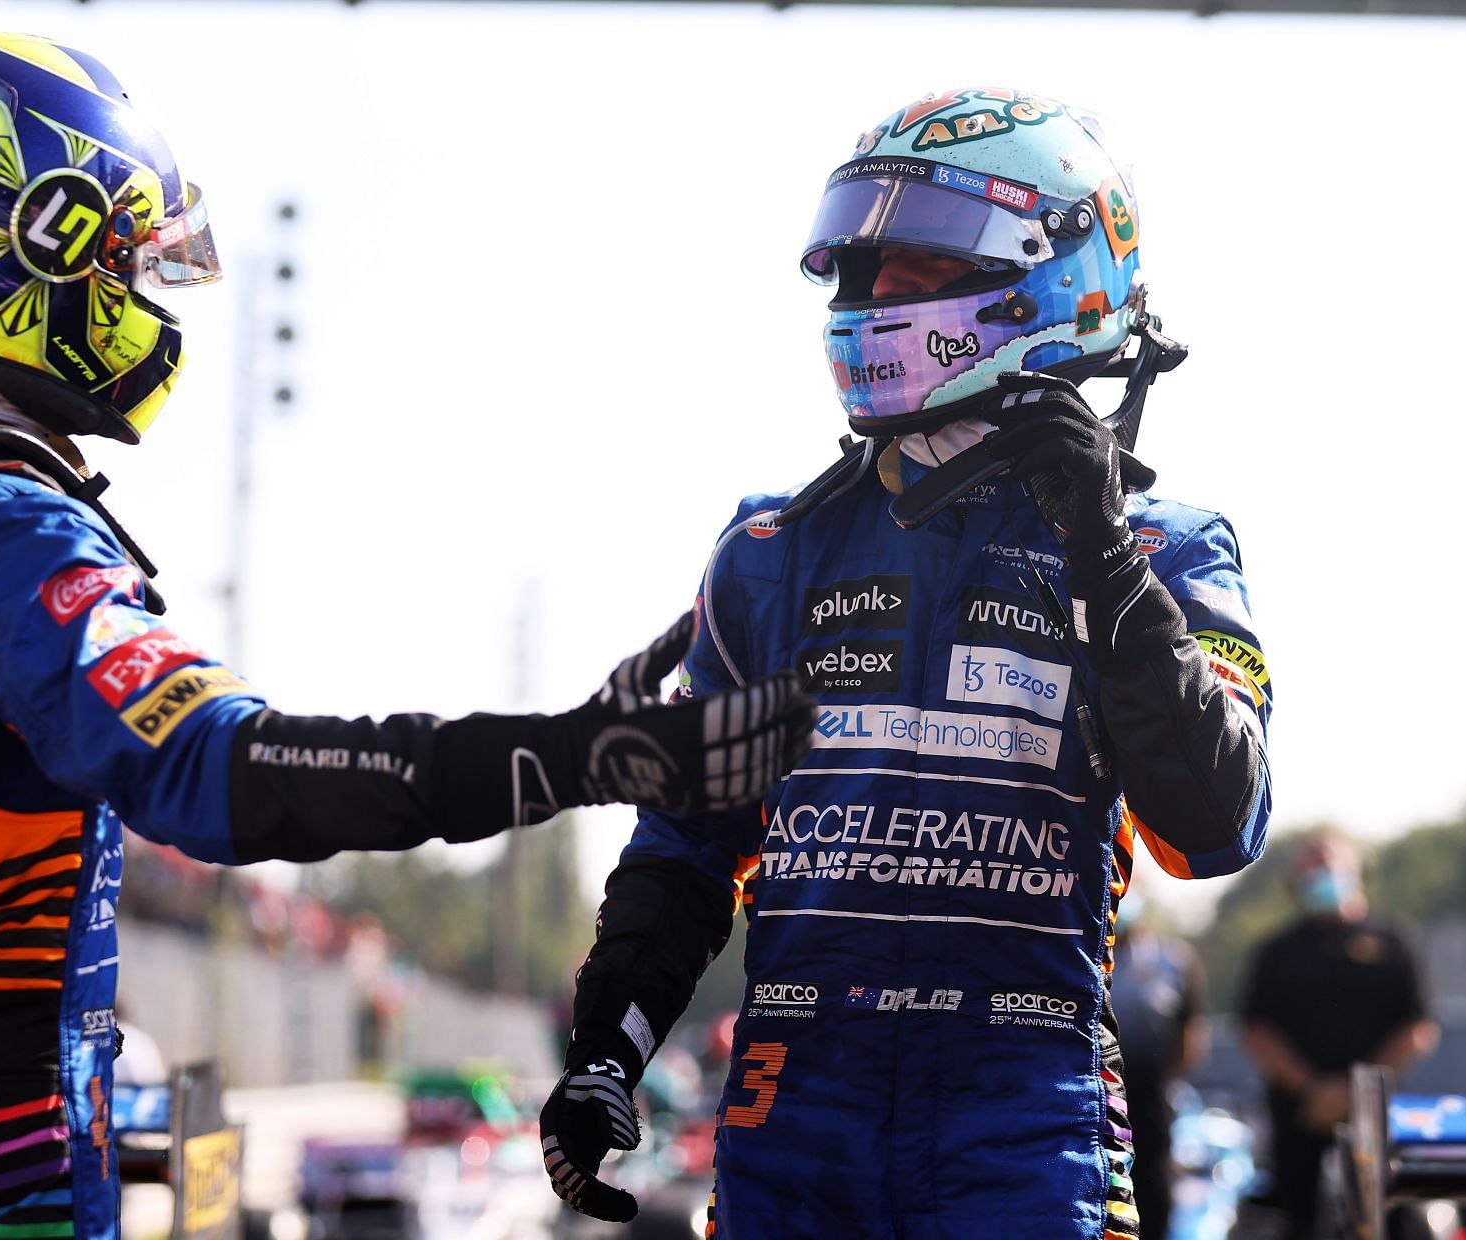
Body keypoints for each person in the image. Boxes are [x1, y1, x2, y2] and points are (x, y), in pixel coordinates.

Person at [0, 34, 814, 1240]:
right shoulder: (0, 533)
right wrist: (571, 753)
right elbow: (215, 770)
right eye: (123, 262)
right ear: (24, 249)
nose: (138, 298)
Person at [538, 88, 1273, 1238]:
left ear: (1055, 267)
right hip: (794, 1101)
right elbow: (687, 840)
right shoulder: (771, 550)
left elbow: (1217, 823)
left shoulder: (1169, 546)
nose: (872, 301)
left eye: (918, 269)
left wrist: (1098, 553)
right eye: (862, 269)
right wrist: (605, 1050)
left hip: (1027, 1109)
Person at [1240, 835, 1438, 1240]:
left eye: (1328, 865)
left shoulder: (1394, 942)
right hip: (1300, 1109)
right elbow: (1256, 1030)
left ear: (1355, 870)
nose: (1320, 877)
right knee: (1301, 1219)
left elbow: (1417, 1028)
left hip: (1377, 1107)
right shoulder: (1278, 951)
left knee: (1392, 1217)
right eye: (1310, 870)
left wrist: (1353, 1092)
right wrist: (1314, 1088)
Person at [1111, 883, 1206, 1240]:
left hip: (1149, 1108)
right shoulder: (1071, 953)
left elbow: (1189, 1039)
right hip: (1087, 1103)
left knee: (1151, 1198)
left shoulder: (1176, 960)